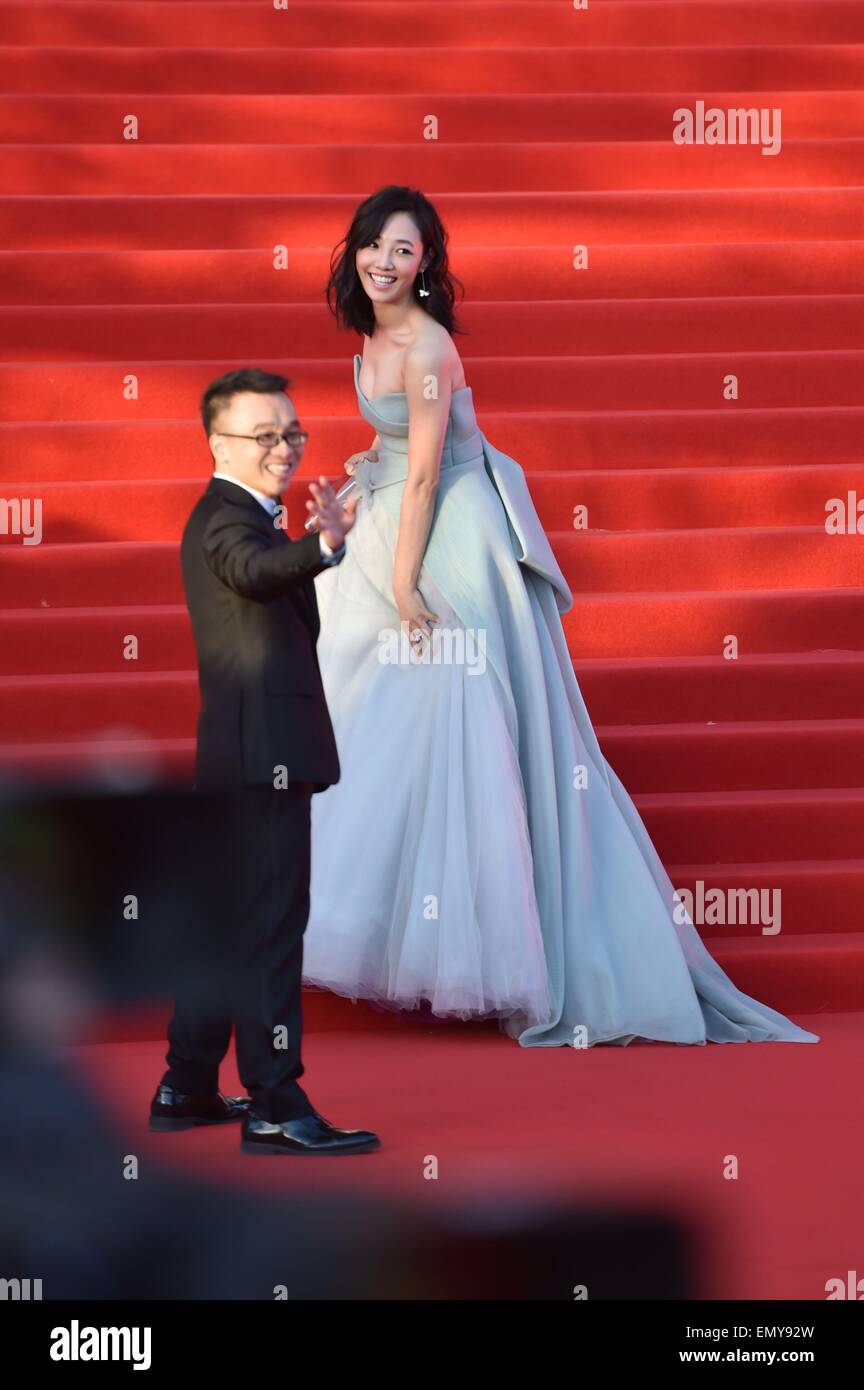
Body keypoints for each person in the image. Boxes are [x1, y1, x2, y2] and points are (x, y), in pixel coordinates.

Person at [302, 185, 819, 1050]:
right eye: (374, 246)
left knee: (454, 716)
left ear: (427, 265)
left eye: (404, 250)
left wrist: (402, 585)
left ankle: (501, 951)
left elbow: (430, 474)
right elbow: (401, 456)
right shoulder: (372, 334)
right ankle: (410, 939)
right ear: (352, 251)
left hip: (447, 535)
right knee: (383, 720)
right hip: (400, 513)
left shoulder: (427, 347)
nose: (385, 263)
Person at [150, 367, 381, 1153]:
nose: (284, 447)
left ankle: (186, 1083)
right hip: (261, 759)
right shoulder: (225, 522)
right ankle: (276, 1103)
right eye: (265, 435)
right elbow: (255, 571)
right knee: (272, 930)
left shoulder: (237, 516)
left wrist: (307, 545)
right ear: (219, 444)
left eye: (293, 432)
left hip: (241, 755)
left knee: (227, 927)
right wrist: (320, 545)